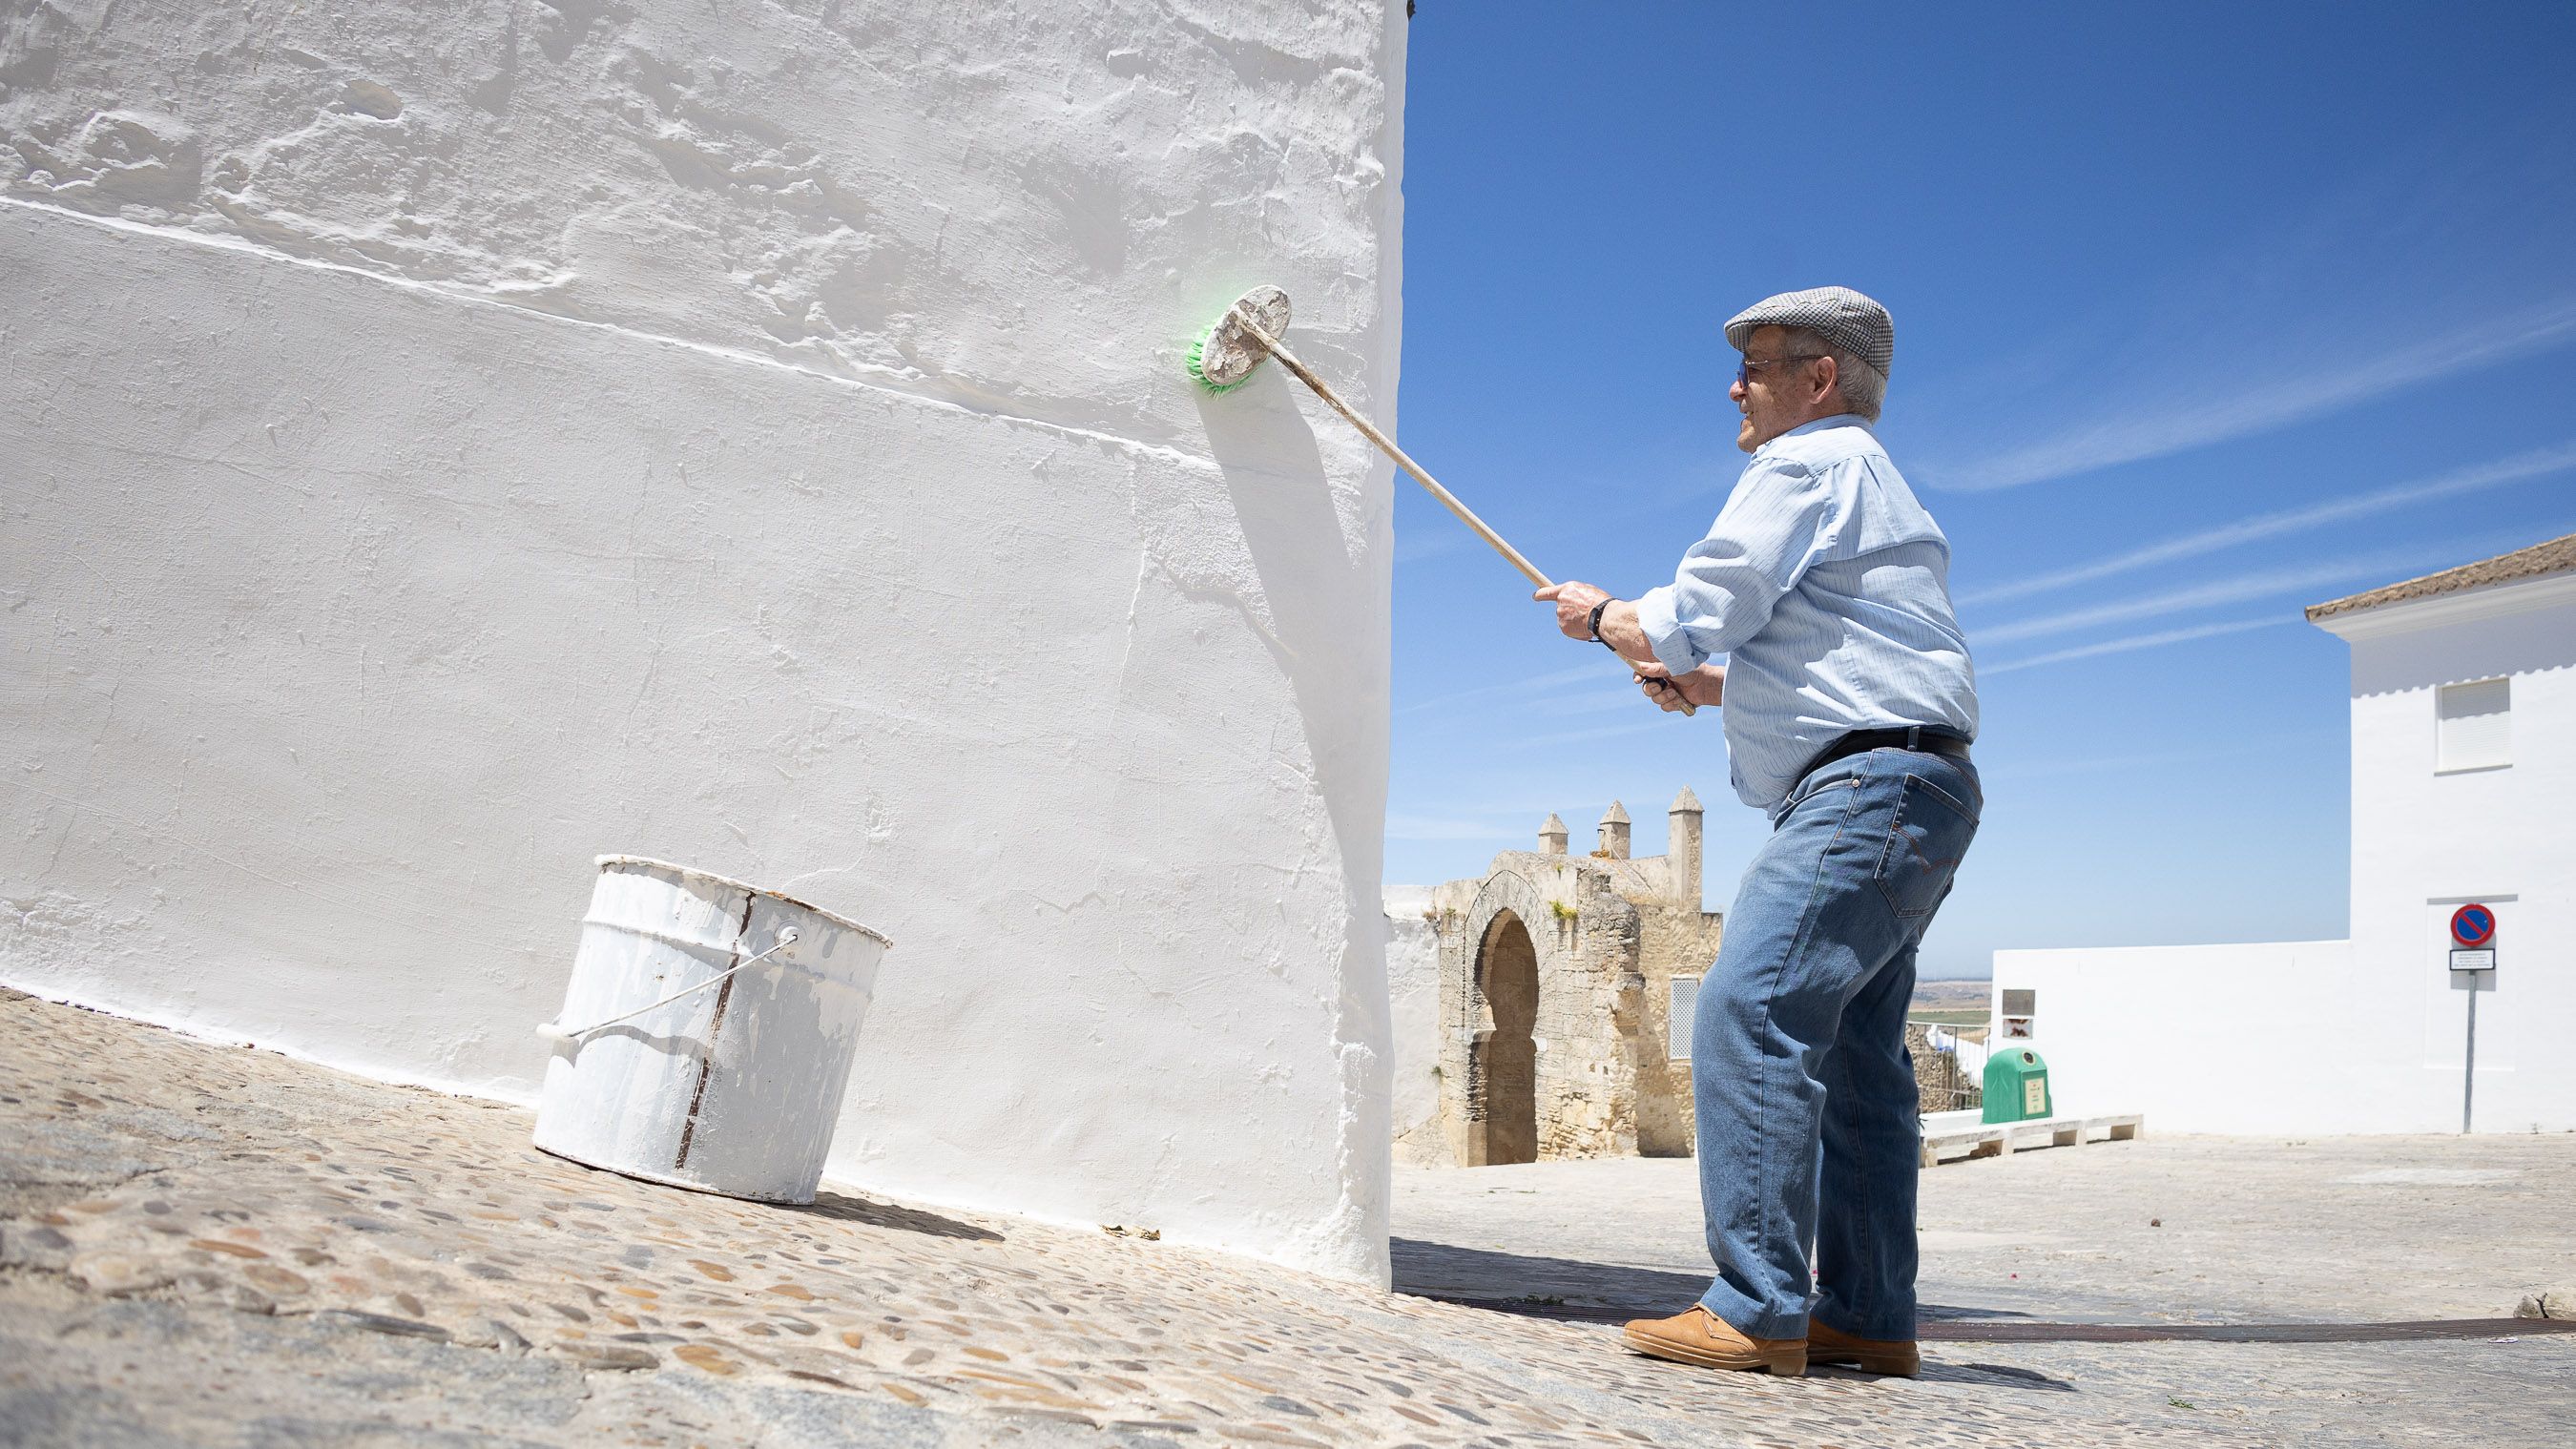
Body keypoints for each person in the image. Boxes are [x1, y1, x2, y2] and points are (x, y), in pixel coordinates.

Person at [1536, 286, 1980, 1379]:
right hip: (1920, 786)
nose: (1735, 387)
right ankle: (1867, 1313)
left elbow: (1705, 599)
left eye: (1758, 365)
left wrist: (1606, 617)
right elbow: (1846, 665)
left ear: (1819, 378)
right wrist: (1708, 686)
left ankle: (1758, 1306)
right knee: (1862, 1055)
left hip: (1863, 792)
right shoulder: (1871, 483)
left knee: (1748, 1010)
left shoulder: (1806, 464)